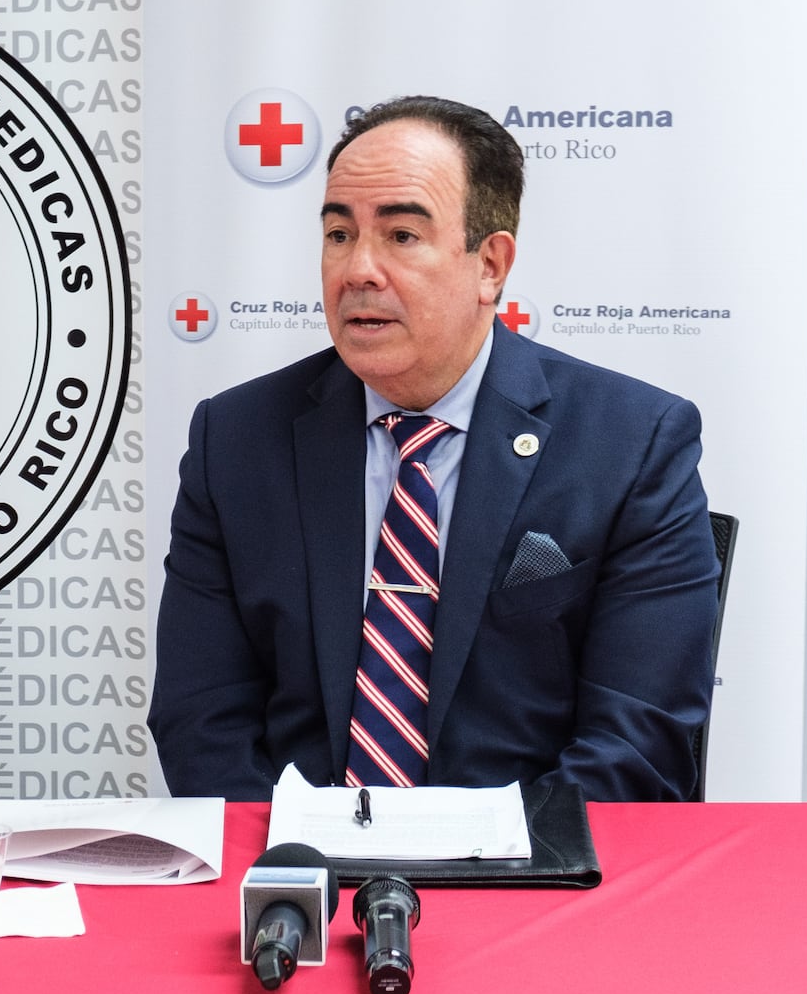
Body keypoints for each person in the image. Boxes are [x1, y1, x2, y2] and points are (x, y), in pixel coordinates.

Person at [150, 96, 719, 801]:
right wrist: (297, 868)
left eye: (401, 236)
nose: (358, 269)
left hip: (529, 880)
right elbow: (200, 723)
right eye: (337, 233)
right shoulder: (235, 440)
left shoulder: (632, 444)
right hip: (299, 876)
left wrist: (478, 866)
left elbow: (639, 745)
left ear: (491, 264)